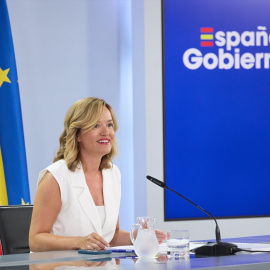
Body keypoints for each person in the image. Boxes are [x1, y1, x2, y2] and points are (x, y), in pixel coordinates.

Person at [29, 97, 166, 252]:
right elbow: (35, 240)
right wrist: (78, 241)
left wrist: (138, 237)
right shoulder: (56, 177)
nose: (106, 132)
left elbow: (110, 237)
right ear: (77, 135)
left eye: (109, 125)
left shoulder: (112, 173)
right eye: (95, 126)